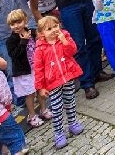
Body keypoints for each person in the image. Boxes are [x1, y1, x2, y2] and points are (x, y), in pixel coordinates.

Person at [33, 16, 85, 150]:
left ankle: (72, 123)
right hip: (52, 82)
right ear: (41, 33)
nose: (53, 30)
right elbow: (38, 69)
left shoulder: (65, 37)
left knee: (70, 101)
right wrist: (40, 87)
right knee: (56, 108)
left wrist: (64, 41)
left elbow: (72, 51)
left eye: (55, 26)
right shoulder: (40, 48)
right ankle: (59, 133)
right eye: (49, 29)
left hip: (67, 77)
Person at [5, 9, 51, 127]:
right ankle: (32, 115)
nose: (16, 26)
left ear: (25, 20)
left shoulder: (33, 32)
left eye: (18, 22)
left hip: (36, 68)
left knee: (40, 89)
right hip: (24, 72)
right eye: (12, 24)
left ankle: (43, 109)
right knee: (29, 94)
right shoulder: (11, 40)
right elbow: (14, 55)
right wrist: (23, 41)